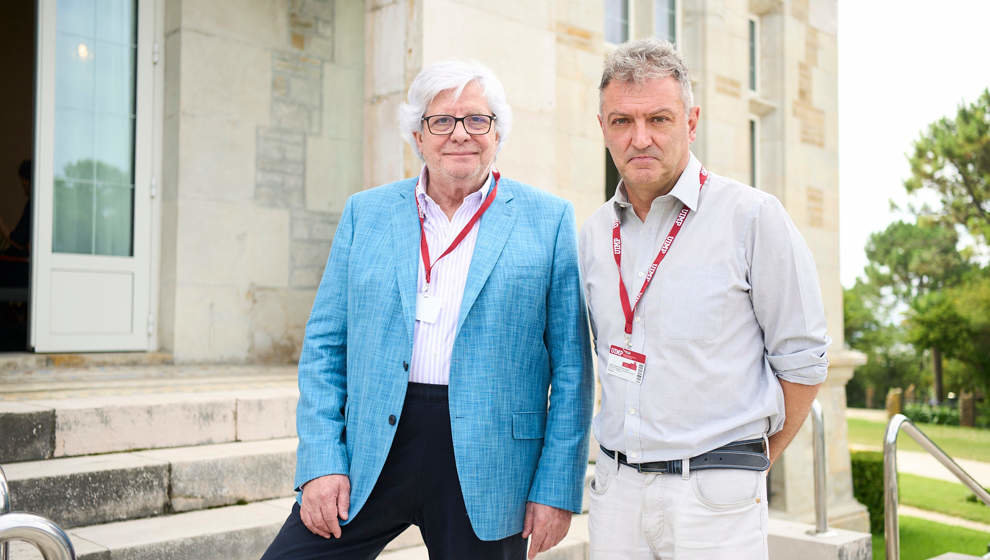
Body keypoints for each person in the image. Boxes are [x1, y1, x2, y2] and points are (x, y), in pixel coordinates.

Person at [261, 60, 594, 560]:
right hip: (373, 445)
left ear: (497, 133)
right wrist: (320, 460)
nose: (460, 134)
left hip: (490, 461)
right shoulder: (365, 213)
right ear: (418, 135)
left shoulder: (548, 221)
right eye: (442, 120)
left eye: (476, 120)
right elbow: (326, 344)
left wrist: (556, 487)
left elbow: (572, 370)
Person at [579, 39, 830, 559]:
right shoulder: (594, 234)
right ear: (603, 128)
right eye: (622, 121)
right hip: (615, 493)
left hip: (714, 502)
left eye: (659, 119)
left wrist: (745, 466)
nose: (640, 138)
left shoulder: (753, 218)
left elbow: (804, 364)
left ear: (691, 123)